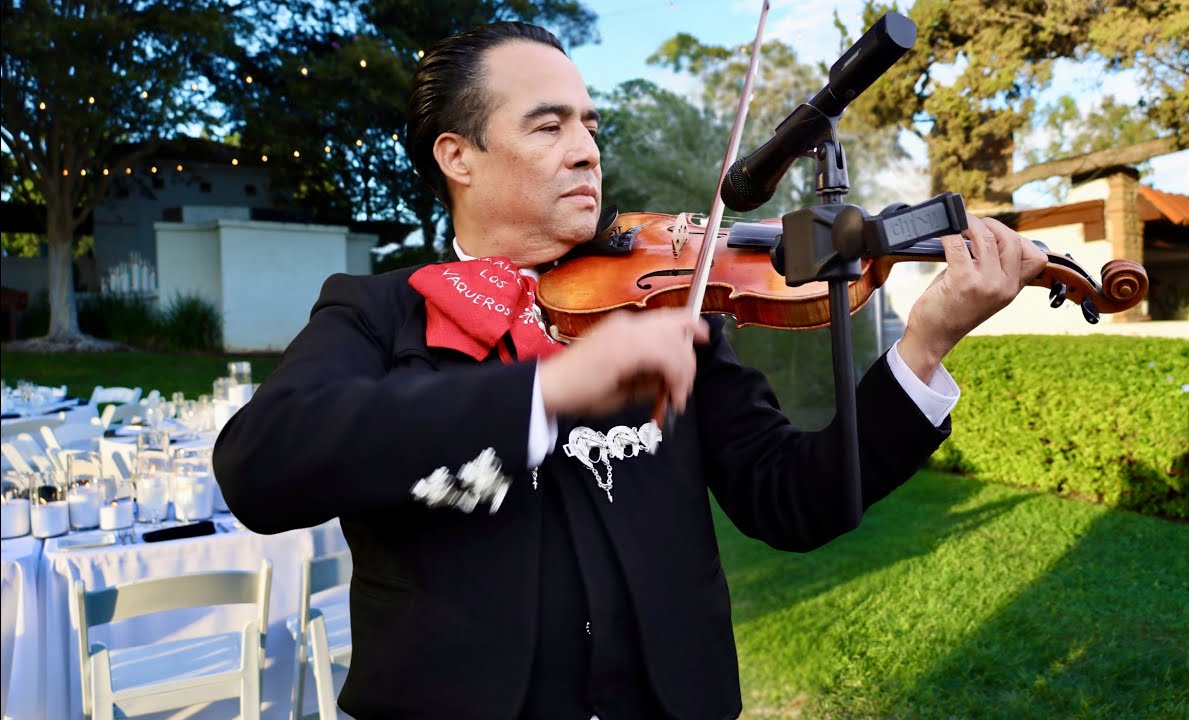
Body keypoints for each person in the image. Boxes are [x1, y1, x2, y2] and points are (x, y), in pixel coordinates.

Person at [213, 21, 1047, 720]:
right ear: (457, 156)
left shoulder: (668, 311)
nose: (585, 152)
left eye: (590, 126)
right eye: (549, 127)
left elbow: (793, 499)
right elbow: (262, 466)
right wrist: (545, 393)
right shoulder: (378, 311)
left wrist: (923, 348)